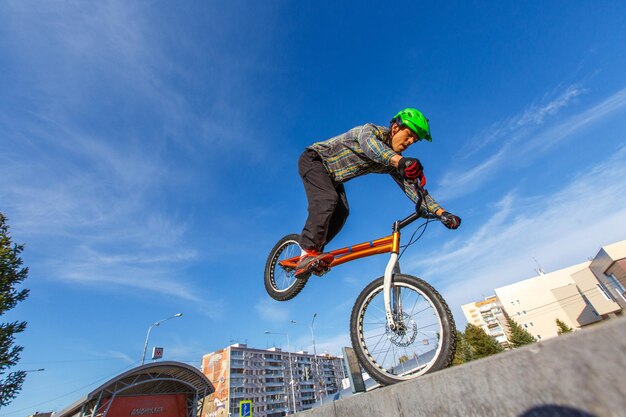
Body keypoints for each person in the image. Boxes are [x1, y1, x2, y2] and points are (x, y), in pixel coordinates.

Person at [295, 108, 461, 279]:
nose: (410, 141)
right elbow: (371, 147)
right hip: (314, 160)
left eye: (415, 140)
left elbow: (414, 190)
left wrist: (443, 213)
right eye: (410, 134)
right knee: (328, 200)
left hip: (333, 178)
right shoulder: (371, 131)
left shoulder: (394, 160)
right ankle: (308, 250)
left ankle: (312, 254)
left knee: (342, 213)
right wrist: (401, 161)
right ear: (396, 128)